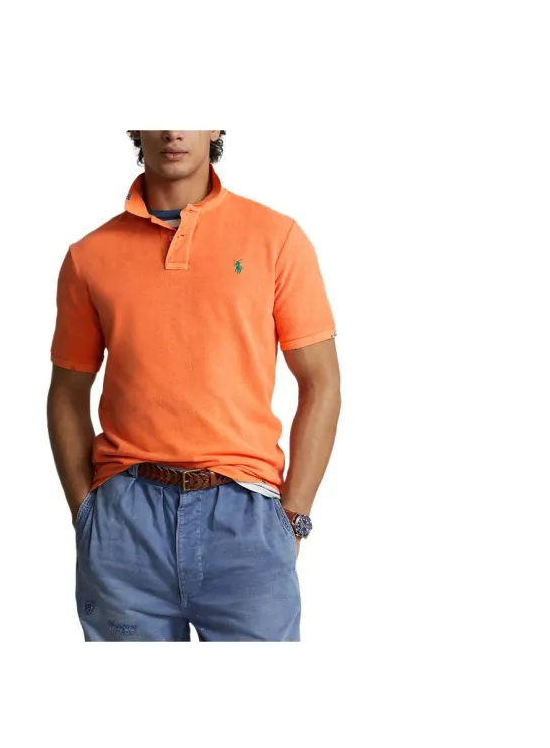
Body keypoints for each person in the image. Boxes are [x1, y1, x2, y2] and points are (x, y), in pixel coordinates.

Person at [47, 130, 341, 641]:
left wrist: (294, 516)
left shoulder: (276, 238)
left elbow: (321, 382)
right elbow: (68, 392)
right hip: (126, 521)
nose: (173, 130)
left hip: (246, 516)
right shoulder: (89, 256)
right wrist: (86, 511)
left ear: (217, 127)